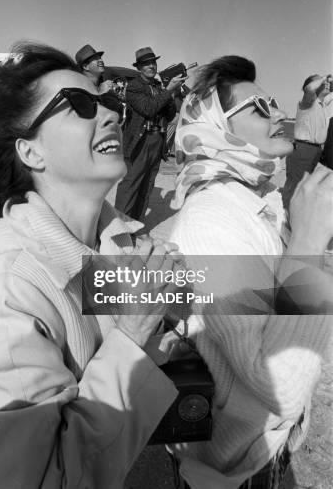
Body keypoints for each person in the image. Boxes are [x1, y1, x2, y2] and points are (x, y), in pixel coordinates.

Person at [0, 42, 180, 489]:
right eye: (79, 104)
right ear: (31, 152)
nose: (110, 115)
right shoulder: (8, 293)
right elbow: (40, 480)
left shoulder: (116, 240)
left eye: (107, 101)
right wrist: (135, 334)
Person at [165, 56, 332, 489]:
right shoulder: (211, 220)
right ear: (215, 129)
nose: (279, 114)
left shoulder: (253, 200)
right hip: (234, 466)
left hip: (257, 447)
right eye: (259, 107)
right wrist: (308, 249)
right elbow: (273, 382)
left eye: (275, 103)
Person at [115, 46, 185, 221]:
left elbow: (169, 115)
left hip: (157, 140)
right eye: (146, 64)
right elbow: (148, 109)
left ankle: (136, 225)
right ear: (139, 68)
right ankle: (120, 227)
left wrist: (173, 92)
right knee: (131, 184)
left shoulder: (158, 86)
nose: (151, 66)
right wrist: (168, 90)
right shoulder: (133, 87)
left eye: (153, 62)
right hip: (140, 141)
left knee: (147, 185)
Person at [282, 73, 333, 208]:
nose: (326, 83)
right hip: (303, 149)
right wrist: (323, 78)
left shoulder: (322, 105)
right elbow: (309, 89)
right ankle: (286, 215)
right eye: (321, 83)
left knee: (306, 187)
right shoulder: (308, 101)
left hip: (316, 150)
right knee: (295, 186)